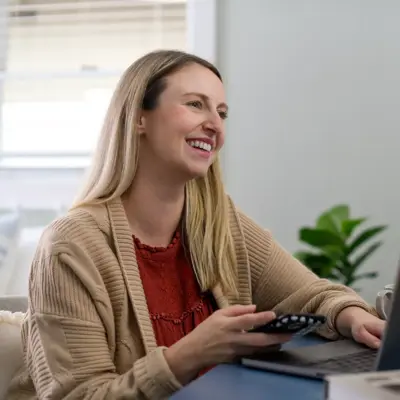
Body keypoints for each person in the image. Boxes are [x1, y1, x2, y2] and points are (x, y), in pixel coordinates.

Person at [7, 50, 385, 400]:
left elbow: (313, 296)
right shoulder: (71, 244)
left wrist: (350, 316)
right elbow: (79, 395)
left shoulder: (220, 221)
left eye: (222, 113)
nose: (214, 125)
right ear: (139, 116)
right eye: (195, 105)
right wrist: (188, 355)